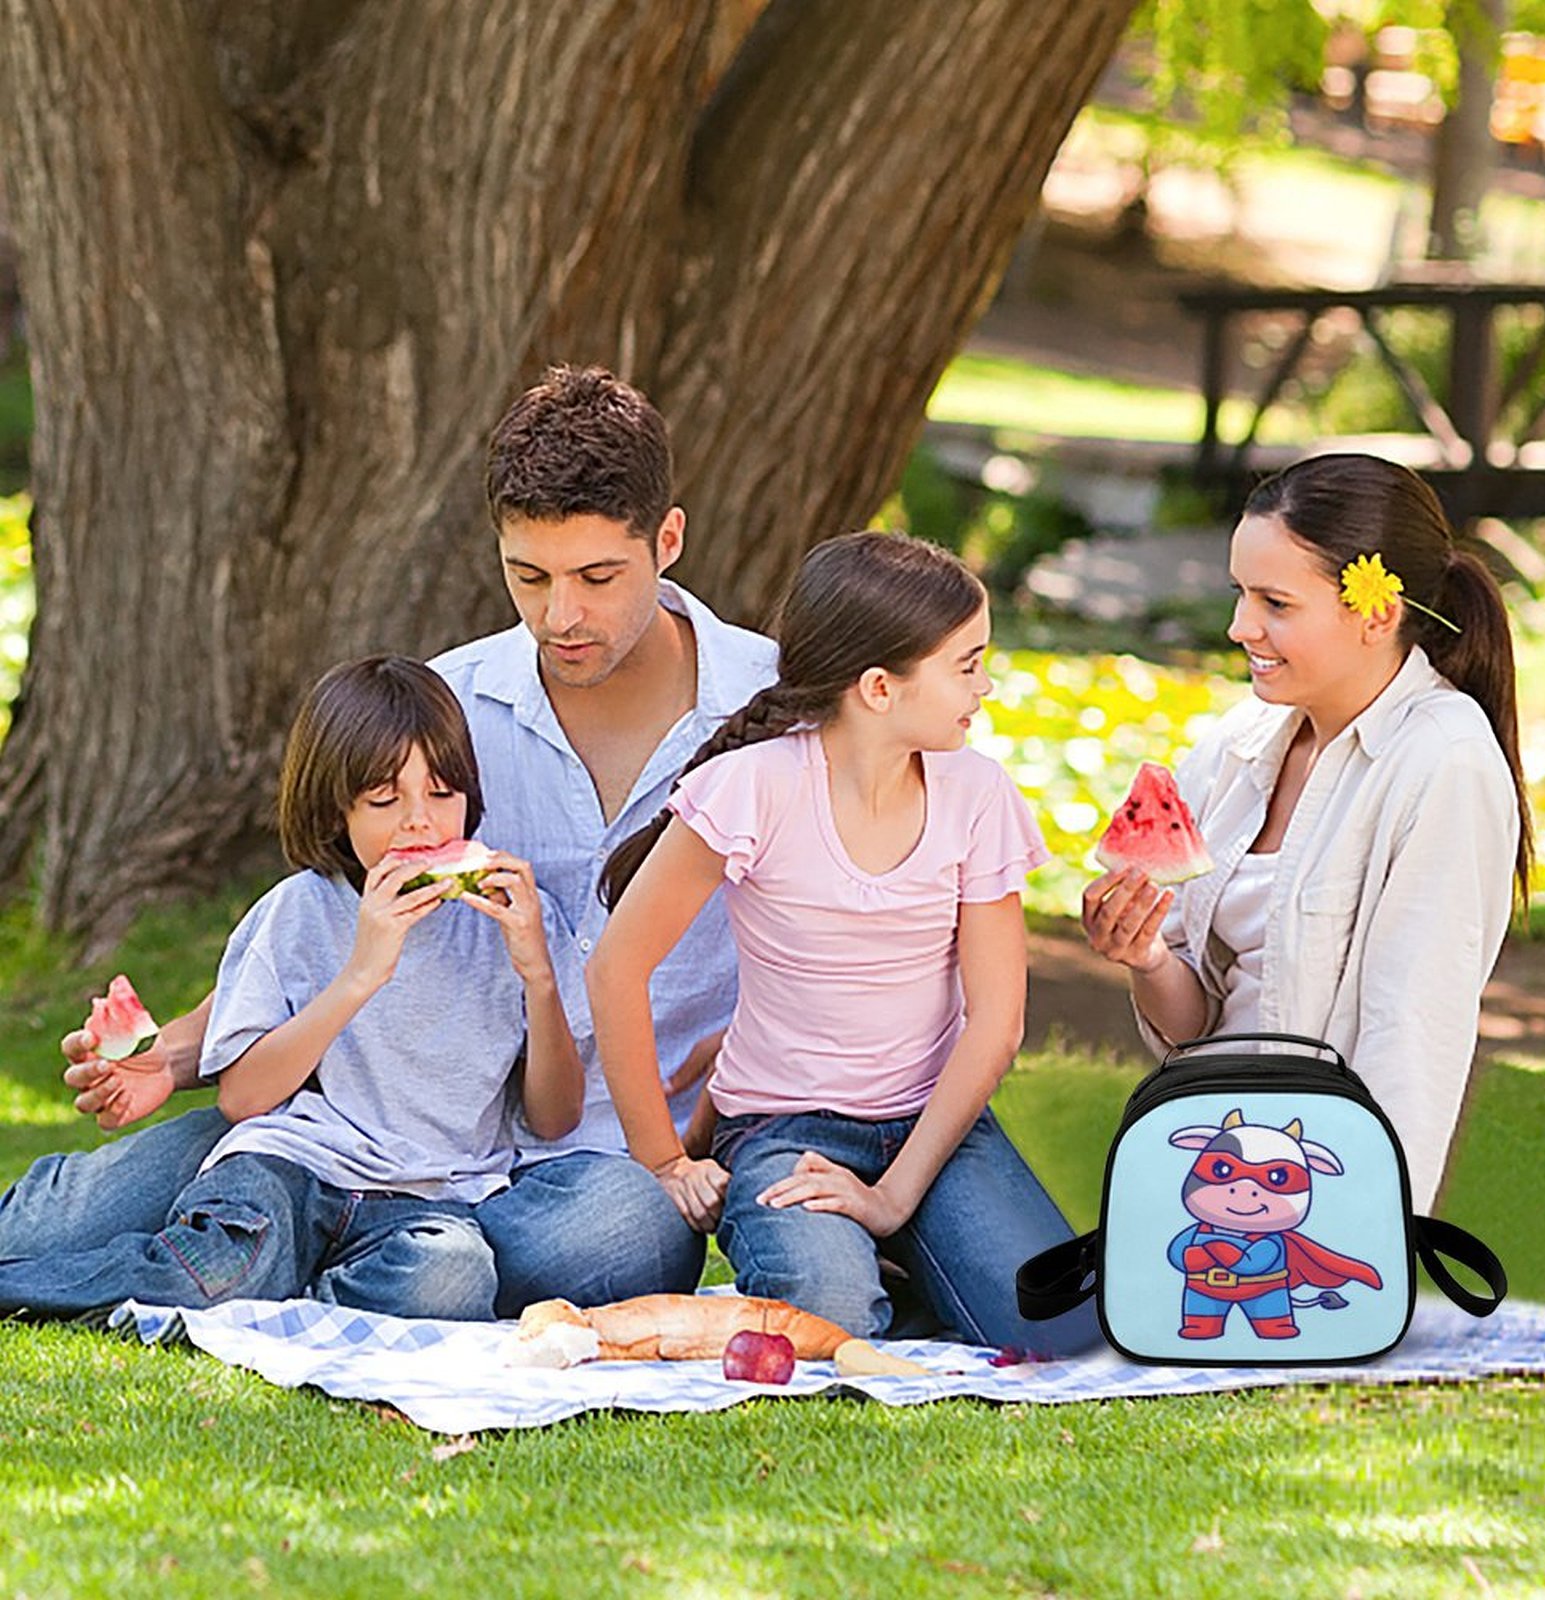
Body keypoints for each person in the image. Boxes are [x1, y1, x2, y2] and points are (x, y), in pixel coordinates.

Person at [9, 365, 777, 1315]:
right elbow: (327, 916)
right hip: (353, 1114)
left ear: (668, 541)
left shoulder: (772, 715)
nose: (559, 616)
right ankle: (284, 1237)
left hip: (582, 1161)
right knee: (64, 1222)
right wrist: (168, 1058)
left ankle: (323, 1257)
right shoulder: (449, 707)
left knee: (625, 1243)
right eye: (528, 577)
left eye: (597, 578)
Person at [588, 532, 1100, 1355]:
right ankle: (872, 1267)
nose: (988, 684)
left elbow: (996, 1022)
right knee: (830, 1318)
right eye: (966, 665)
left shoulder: (978, 795)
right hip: (786, 1131)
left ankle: (900, 1248)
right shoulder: (751, 788)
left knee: (1058, 1335)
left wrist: (894, 1198)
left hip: (935, 1123)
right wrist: (665, 1160)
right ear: (878, 688)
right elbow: (616, 967)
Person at [0, 656, 583, 1319]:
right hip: (290, 1170)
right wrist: (361, 974)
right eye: (386, 800)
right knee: (216, 1272)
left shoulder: (514, 926)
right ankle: (30, 1285)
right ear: (337, 813)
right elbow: (244, 1097)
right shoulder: (299, 912)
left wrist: (537, 975)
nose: (421, 823)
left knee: (452, 1280)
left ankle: (296, 1303)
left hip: (430, 1200)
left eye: (443, 794)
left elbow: (554, 1117)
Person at [1081, 454, 1529, 1210]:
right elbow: (1196, 1028)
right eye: (1239, 593)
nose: (1238, 626)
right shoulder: (1236, 743)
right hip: (1208, 1163)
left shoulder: (1444, 762)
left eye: (1275, 603)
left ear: (1376, 613)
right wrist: (1147, 955)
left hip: (1314, 1189)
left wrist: (1366, 1243)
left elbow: (1409, 1037)